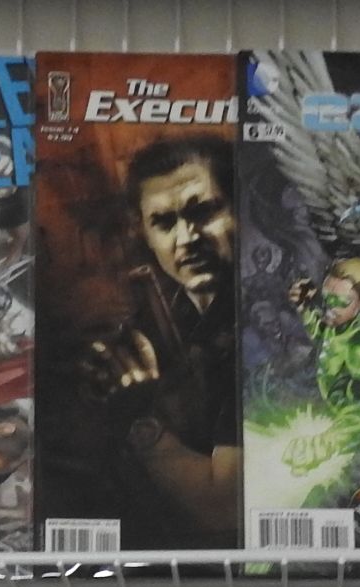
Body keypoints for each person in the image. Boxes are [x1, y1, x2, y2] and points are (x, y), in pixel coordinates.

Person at [67, 137, 241, 545]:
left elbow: (223, 508)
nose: (187, 237)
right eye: (164, 222)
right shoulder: (162, 318)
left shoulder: (267, 328)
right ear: (143, 233)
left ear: (242, 209)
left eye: (205, 211)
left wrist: (139, 422)